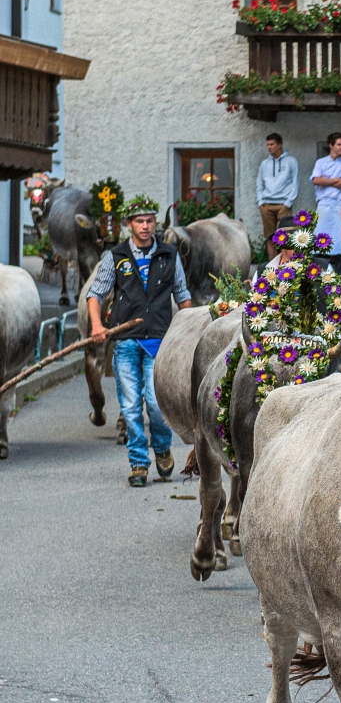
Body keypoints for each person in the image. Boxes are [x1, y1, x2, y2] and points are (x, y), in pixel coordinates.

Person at [87, 194, 192, 488]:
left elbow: (183, 298)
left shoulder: (170, 256)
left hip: (160, 340)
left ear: (154, 223)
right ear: (129, 224)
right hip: (125, 341)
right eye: (139, 221)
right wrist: (97, 324)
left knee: (157, 406)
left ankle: (161, 447)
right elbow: (95, 295)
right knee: (131, 405)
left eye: (149, 221)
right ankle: (138, 463)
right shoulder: (115, 257)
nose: (144, 226)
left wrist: (190, 332)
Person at [310, 132, 341, 278]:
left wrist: (327, 181)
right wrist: (336, 180)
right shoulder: (321, 163)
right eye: (339, 144)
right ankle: (322, 277)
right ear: (331, 145)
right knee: (322, 241)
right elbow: (316, 180)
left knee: (340, 242)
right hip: (324, 205)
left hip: (339, 205)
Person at [256, 133, 300, 261]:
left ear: (279, 145)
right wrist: (260, 203)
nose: (269, 147)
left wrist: (288, 203)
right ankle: (273, 268)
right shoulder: (264, 164)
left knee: (285, 237)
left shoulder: (291, 161)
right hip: (267, 205)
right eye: (267, 145)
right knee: (270, 237)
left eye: (272, 144)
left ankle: (285, 268)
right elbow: (259, 183)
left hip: (283, 205)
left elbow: (295, 183)